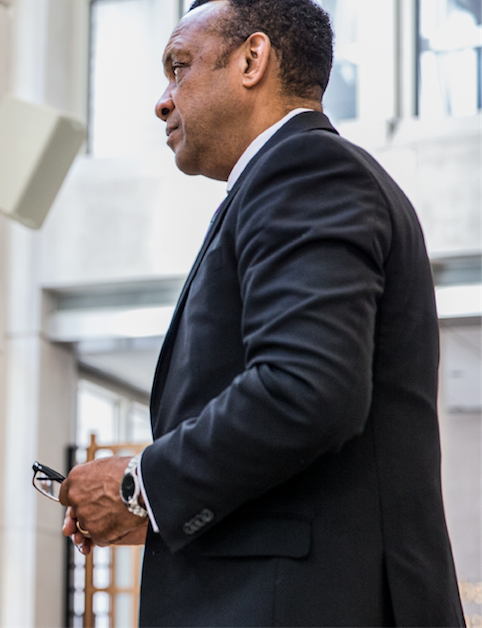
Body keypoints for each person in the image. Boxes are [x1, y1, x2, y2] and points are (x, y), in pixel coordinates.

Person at [57, 1, 467, 626]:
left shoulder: (305, 170)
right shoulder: (292, 179)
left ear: (253, 59)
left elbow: (308, 388)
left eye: (179, 67)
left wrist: (140, 487)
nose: (163, 101)